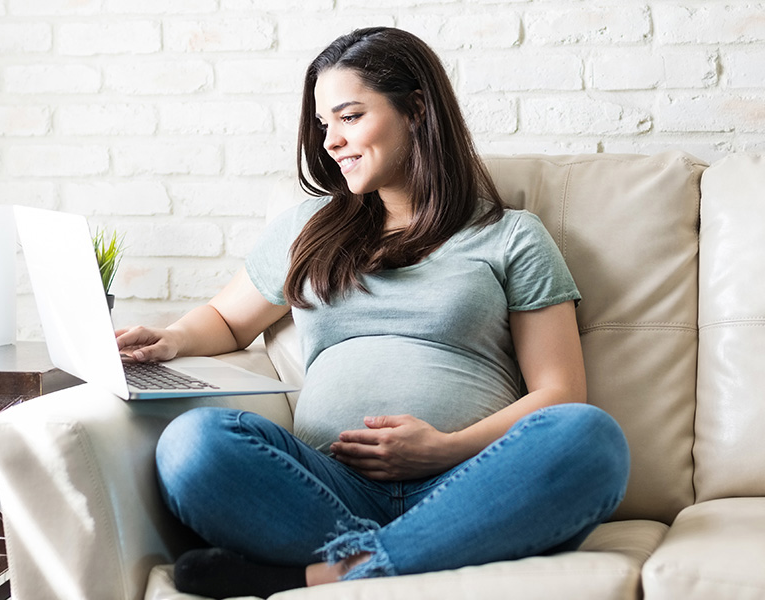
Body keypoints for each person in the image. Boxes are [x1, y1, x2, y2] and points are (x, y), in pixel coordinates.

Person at [116, 27, 630, 599]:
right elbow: (230, 320)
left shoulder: (510, 236)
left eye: (350, 117)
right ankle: (427, 550)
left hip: (471, 481)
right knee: (194, 444)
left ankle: (322, 573)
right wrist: (172, 339)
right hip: (327, 489)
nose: (332, 140)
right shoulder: (307, 231)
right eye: (324, 123)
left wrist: (446, 447)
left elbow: (560, 392)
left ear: (415, 110)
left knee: (589, 437)